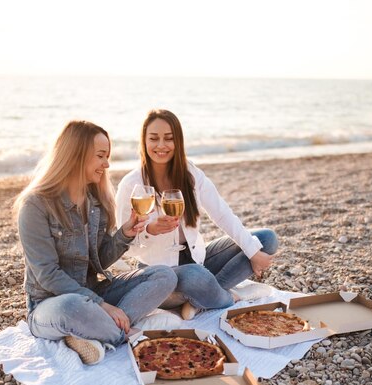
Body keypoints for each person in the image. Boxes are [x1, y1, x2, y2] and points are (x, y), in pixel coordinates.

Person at [14, 120, 177, 365]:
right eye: (101, 156)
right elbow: (47, 274)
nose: (107, 164)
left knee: (165, 276)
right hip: (50, 303)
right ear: (76, 154)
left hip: (92, 291)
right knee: (72, 307)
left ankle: (95, 332)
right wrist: (102, 305)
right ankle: (119, 332)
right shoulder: (35, 205)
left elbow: (99, 259)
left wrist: (125, 234)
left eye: (107, 156)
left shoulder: (96, 202)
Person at [115, 109, 278, 320]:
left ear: (178, 141)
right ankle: (227, 297)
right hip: (162, 278)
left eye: (169, 138)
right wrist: (149, 230)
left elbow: (222, 214)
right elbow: (125, 246)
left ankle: (203, 299)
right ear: (144, 142)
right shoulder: (131, 185)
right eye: (154, 138)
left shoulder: (191, 174)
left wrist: (253, 252)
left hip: (198, 261)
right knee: (194, 276)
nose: (161, 145)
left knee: (265, 239)